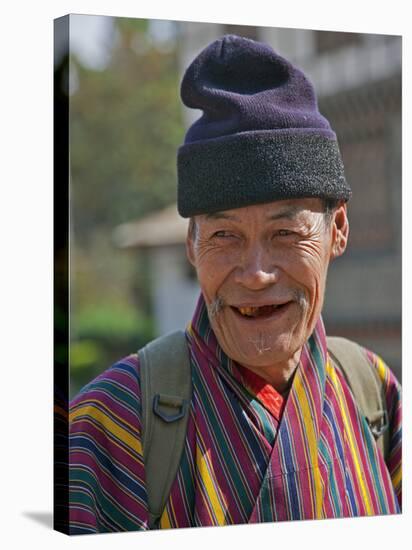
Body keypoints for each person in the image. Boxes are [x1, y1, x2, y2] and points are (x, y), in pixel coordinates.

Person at [69, 34, 401, 534]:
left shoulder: (372, 392)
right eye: (224, 236)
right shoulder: (110, 424)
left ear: (338, 231)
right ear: (191, 244)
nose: (256, 273)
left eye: (285, 233)